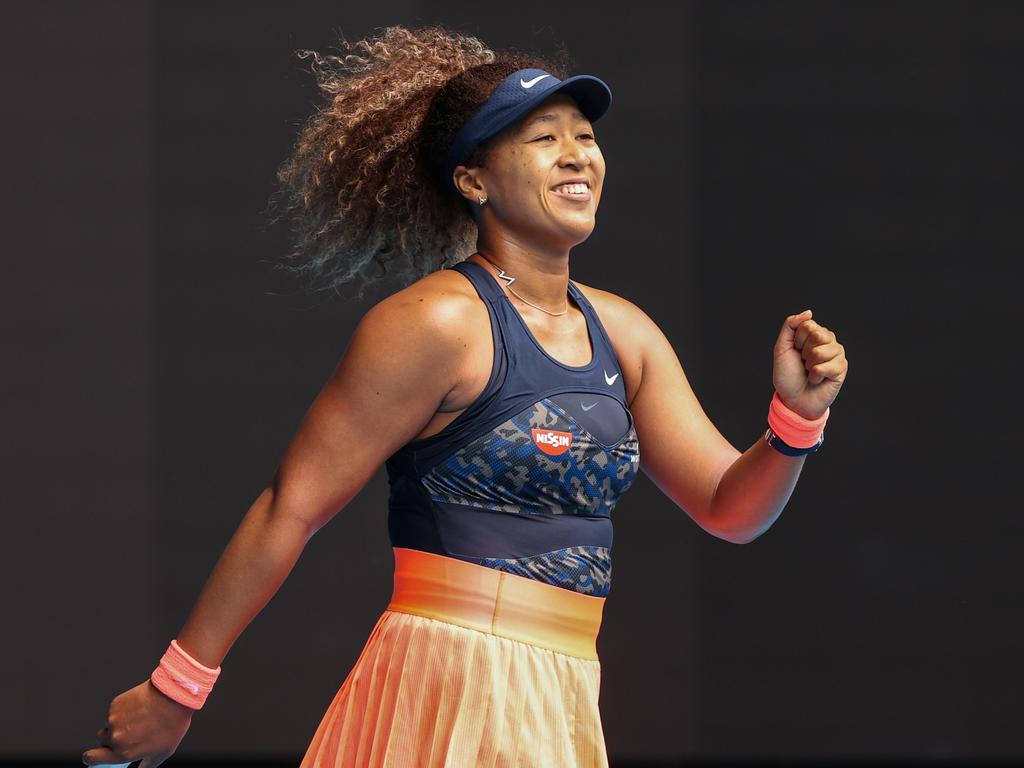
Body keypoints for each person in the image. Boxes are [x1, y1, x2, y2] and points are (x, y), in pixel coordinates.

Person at [81, 24, 848, 768]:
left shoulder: (625, 332)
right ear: (475, 180)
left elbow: (729, 508)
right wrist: (178, 688)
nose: (576, 153)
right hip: (445, 684)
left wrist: (796, 421)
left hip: (564, 689)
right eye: (542, 138)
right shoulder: (438, 322)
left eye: (584, 134)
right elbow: (294, 505)